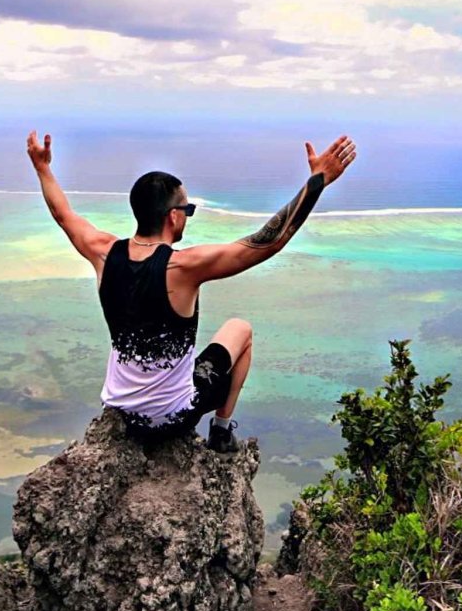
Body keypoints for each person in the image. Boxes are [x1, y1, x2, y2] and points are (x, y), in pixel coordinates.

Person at [26, 130, 357, 451]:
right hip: (170, 418)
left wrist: (42, 168)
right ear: (173, 216)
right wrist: (317, 181)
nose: (188, 217)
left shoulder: (103, 251)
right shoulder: (183, 267)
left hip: (122, 414)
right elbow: (268, 241)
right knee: (241, 330)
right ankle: (222, 431)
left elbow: (62, 214)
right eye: (188, 211)